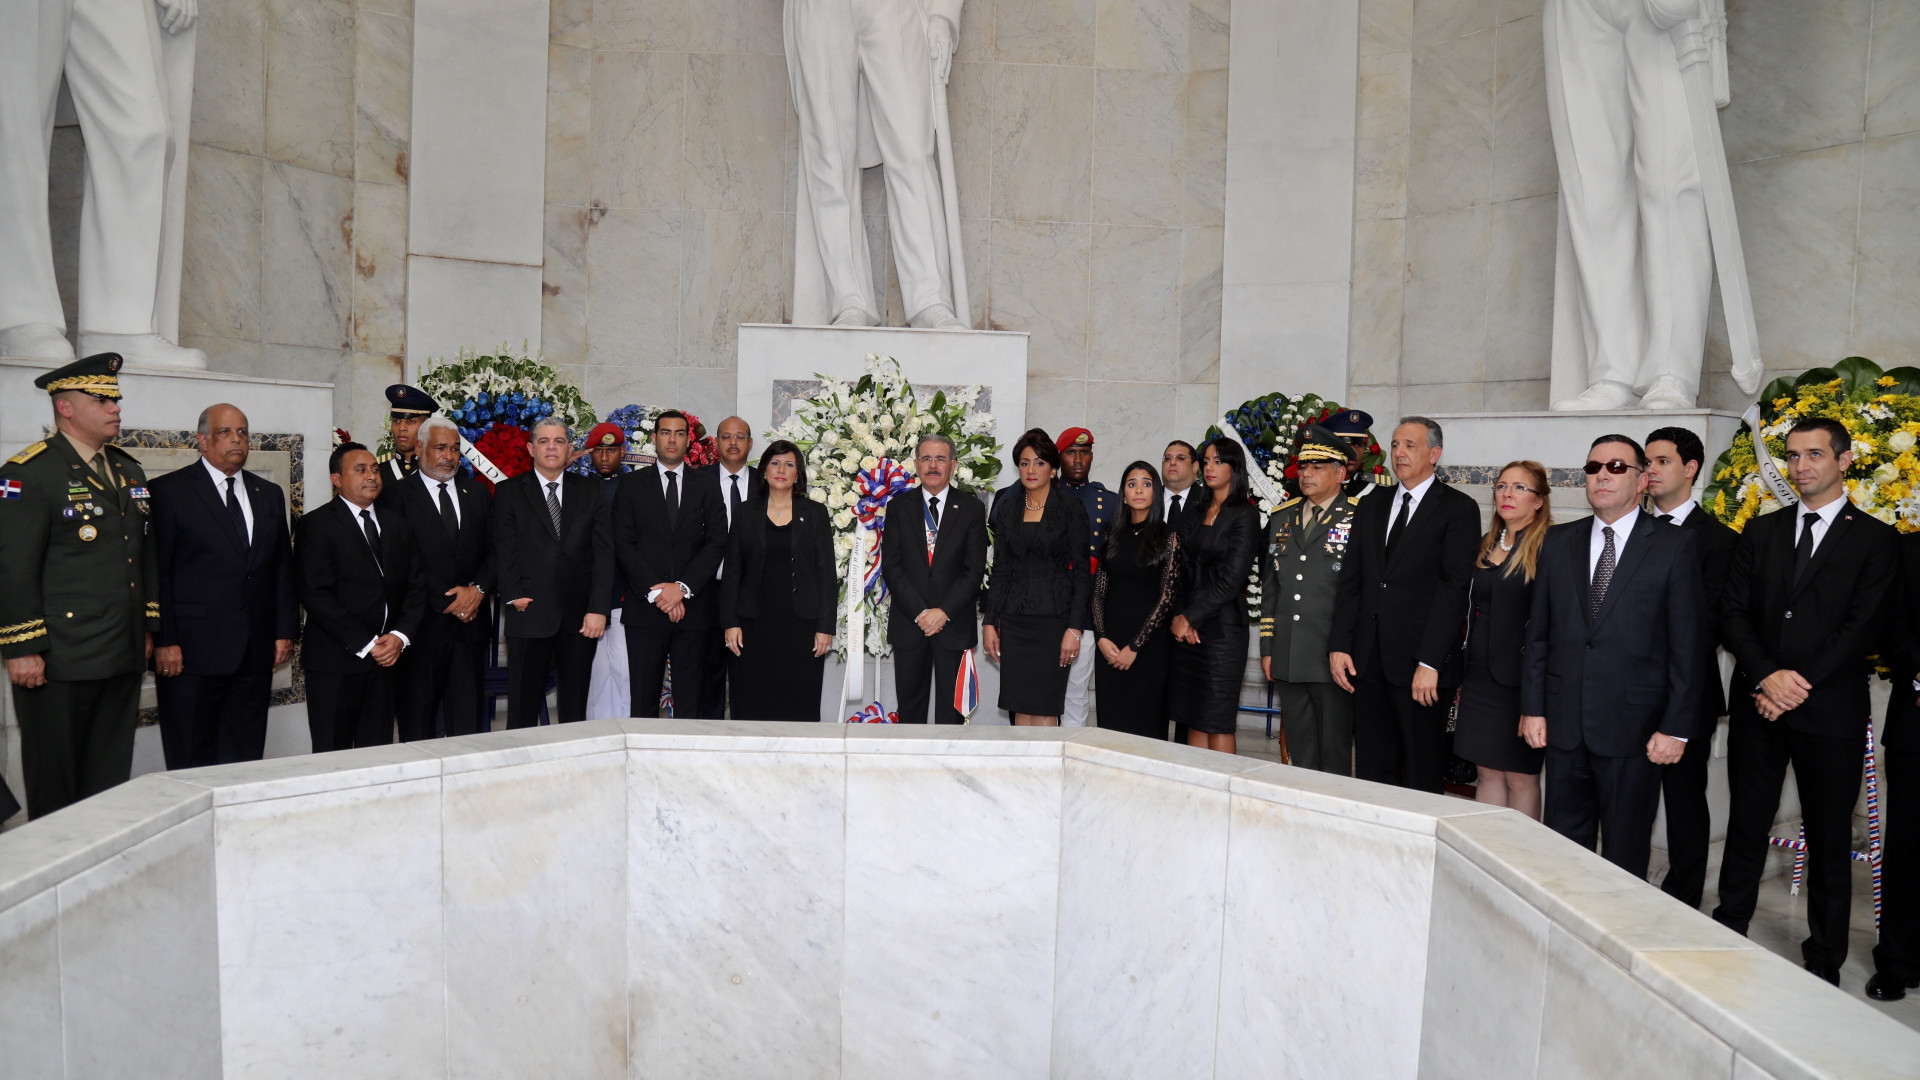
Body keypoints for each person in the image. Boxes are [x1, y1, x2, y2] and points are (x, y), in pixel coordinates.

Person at [1712, 417, 1902, 985]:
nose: (1801, 466)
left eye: (1814, 454)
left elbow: (1863, 627)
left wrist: (1795, 685)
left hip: (1830, 712)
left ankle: (1824, 955)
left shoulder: (1876, 540)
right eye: (1793, 456)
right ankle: (1727, 927)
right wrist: (1769, 677)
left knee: (1827, 835)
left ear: (1844, 461)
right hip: (1759, 705)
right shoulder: (1761, 532)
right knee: (1747, 824)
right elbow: (1732, 613)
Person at [1520, 435, 1702, 877]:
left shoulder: (1674, 545)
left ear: (1642, 480)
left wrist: (1675, 728)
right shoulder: (1558, 541)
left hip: (1635, 730)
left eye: (1617, 467)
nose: (1602, 475)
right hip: (1564, 726)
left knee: (1624, 854)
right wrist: (1533, 707)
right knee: (1563, 852)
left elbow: (1688, 647)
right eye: (1594, 467)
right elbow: (1539, 634)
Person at [0, 353, 159, 818]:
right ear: (65, 408)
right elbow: (12, 566)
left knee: (108, 777)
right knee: (57, 780)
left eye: (115, 399)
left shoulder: (128, 470)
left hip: (121, 649)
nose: (115, 408)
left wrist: (147, 627)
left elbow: (143, 554)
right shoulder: (29, 472)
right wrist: (22, 647)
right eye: (101, 400)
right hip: (60, 658)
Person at [1329, 416, 1480, 791]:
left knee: (1421, 774)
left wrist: (1430, 662)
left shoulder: (1458, 509)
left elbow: (1453, 591)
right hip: (1368, 663)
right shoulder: (1372, 504)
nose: (1399, 452)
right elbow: (1352, 581)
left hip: (1420, 668)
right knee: (1371, 772)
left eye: (1410, 445)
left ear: (1435, 454)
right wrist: (1340, 644)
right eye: (1395, 445)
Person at [150, 403, 297, 767]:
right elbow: (158, 573)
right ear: (203, 441)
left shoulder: (268, 493)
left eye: (243, 432)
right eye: (226, 432)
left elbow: (281, 567)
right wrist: (165, 640)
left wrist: (284, 631)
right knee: (191, 757)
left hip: (254, 652)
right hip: (191, 655)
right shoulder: (168, 492)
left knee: (244, 756)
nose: (237, 440)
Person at [1644, 425, 1737, 908]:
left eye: (1662, 461)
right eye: (1647, 462)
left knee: (1684, 803)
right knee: (1627, 798)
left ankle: (1682, 899)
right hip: (1625, 691)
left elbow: (1710, 622)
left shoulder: (1718, 540)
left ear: (1691, 468)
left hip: (1686, 693)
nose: (1651, 470)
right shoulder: (1628, 530)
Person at [294, 442, 428, 751]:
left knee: (377, 754)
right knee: (333, 755)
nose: (371, 476)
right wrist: (368, 644)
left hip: (387, 662)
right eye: (361, 470)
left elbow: (416, 587)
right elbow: (316, 595)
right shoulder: (317, 525)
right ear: (337, 479)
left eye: (375, 469)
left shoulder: (397, 524)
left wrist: (399, 636)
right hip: (336, 663)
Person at [378, 414, 494, 740]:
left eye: (455, 449)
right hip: (420, 630)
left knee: (467, 727)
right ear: (420, 449)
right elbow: (397, 564)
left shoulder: (477, 494)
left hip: (469, 629)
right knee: (418, 724)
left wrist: (477, 590)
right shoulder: (396, 496)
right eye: (441, 447)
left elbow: (496, 550)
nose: (449, 456)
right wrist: (447, 601)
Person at [493, 418, 612, 727]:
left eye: (559, 441)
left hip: (580, 618)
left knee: (575, 709)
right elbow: (503, 549)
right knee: (522, 710)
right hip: (528, 612)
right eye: (544, 441)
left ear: (569, 448)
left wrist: (598, 609)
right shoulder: (509, 491)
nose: (551, 447)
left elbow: (604, 553)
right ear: (531, 448)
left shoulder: (591, 491)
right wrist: (513, 594)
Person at [1452, 461, 1551, 817]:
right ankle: (1487, 846)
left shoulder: (1549, 546)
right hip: (1479, 676)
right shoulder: (1487, 542)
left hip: (1522, 680)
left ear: (1538, 501)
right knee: (1487, 770)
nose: (1507, 494)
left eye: (1519, 488)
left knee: (1520, 775)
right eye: (1501, 486)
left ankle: (1520, 850)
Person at [1259, 427, 1360, 774]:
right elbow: (1271, 587)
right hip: (1289, 654)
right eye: (1303, 466)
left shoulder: (1359, 516)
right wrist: (1268, 647)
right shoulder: (1282, 516)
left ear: (1341, 473)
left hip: (1333, 656)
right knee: (1301, 754)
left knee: (1334, 753)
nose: (1307, 474)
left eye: (1318, 467)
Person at [614, 410, 727, 718]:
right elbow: (623, 544)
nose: (672, 439)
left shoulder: (707, 485)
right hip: (645, 610)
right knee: (643, 700)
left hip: (693, 610)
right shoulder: (631, 485)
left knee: (691, 701)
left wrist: (682, 588)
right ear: (655, 438)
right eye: (665, 432)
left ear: (688, 440)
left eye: (679, 433)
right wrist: (659, 594)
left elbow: (717, 542)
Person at [720, 442, 838, 720]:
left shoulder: (815, 513)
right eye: (775, 463)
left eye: (789, 464)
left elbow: (826, 574)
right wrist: (730, 623)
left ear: (798, 474)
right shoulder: (745, 512)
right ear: (764, 470)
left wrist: (825, 628)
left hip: (802, 626)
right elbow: (732, 571)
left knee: (799, 702)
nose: (781, 470)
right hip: (752, 625)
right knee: (751, 701)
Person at [982, 429, 1091, 726]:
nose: (1031, 470)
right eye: (1024, 463)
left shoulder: (1070, 509)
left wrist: (1074, 629)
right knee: (1019, 707)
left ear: (1053, 469)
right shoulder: (1008, 509)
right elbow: (1001, 570)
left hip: (1054, 623)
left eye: (1039, 463)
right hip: (1014, 621)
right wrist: (990, 622)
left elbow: (1083, 574)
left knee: (1044, 708)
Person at [882, 433, 988, 724]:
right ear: (916, 464)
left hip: (953, 625)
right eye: (926, 458)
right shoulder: (899, 507)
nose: (933, 465)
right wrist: (921, 612)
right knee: (910, 713)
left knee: (951, 716)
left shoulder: (971, 508)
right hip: (910, 623)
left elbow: (974, 570)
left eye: (940, 459)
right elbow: (891, 566)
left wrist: (943, 612)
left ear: (953, 465)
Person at [1169, 438, 1261, 754]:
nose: (1209, 468)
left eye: (1218, 461)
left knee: (1217, 720)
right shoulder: (1197, 510)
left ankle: (1225, 784)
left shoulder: (1245, 515)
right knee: (1194, 717)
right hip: (1190, 631)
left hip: (1223, 632)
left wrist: (1189, 617)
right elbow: (1180, 569)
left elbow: (1231, 581)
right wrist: (1182, 617)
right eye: (1206, 461)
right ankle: (1197, 783)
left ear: (1235, 468)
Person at [1094, 462, 1182, 741]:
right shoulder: (1111, 535)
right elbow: (1098, 592)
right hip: (1110, 646)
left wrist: (1135, 647)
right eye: (1132, 484)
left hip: (1149, 649)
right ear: (1123, 494)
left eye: (1146, 484)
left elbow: (1166, 599)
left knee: (1146, 732)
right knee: (1111, 731)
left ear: (1156, 492)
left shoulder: (1168, 537)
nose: (1139, 490)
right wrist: (1101, 637)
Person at [1870, 528, 1920, 1001]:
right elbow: (1891, 621)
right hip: (1916, 721)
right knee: (1907, 844)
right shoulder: (1908, 549)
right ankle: (1897, 960)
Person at [1057, 427, 1115, 728]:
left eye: (1084, 452)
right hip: (1048, 604)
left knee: (1076, 689)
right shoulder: (1043, 493)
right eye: (1071, 453)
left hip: (1087, 610)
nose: (1078, 459)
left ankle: (1072, 743)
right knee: (1040, 689)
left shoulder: (1110, 501)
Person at [705, 415, 761, 717]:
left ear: (750, 443)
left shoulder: (767, 483)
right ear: (716, 443)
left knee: (749, 677)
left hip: (752, 595)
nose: (733, 442)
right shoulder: (697, 480)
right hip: (706, 592)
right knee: (708, 677)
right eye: (726, 436)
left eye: (740, 437)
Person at [583, 422, 635, 721]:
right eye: (598, 451)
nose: (604, 457)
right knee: (594, 673)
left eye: (611, 450)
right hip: (588, 593)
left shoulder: (634, 487)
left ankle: (626, 728)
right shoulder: (581, 488)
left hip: (623, 592)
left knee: (624, 670)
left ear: (622, 452)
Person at [1322, 409, 1392, 500]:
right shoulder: (1313, 486)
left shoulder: (1376, 489)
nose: (1354, 452)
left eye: (1358, 445)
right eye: (1346, 445)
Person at [378, 384, 437, 485]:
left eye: (411, 421)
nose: (401, 428)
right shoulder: (377, 471)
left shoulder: (438, 469)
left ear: (427, 426)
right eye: (396, 421)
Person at [1161, 440, 1201, 532]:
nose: (1172, 462)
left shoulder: (1209, 500)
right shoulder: (1149, 499)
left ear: (1195, 467)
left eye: (1180, 458)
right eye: (1167, 458)